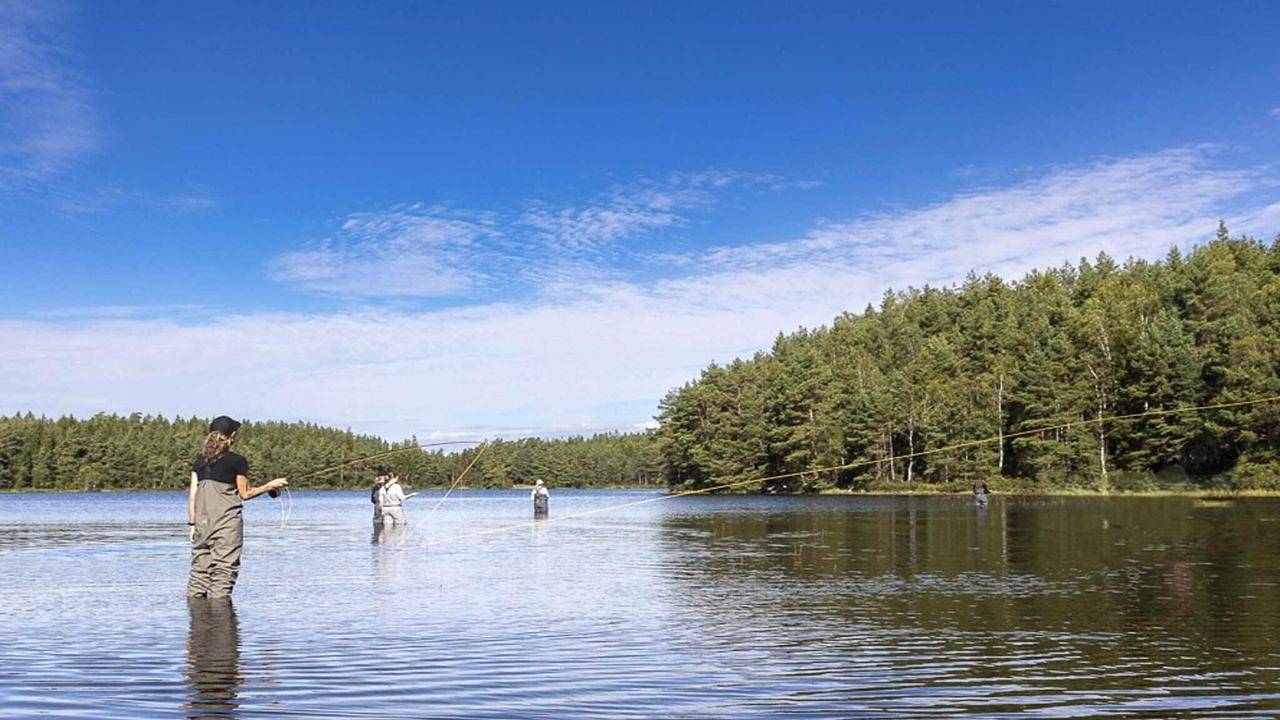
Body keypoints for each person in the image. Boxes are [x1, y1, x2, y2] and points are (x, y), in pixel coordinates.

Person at [187, 416, 288, 598]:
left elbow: (193, 495)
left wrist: (192, 525)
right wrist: (270, 485)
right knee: (223, 575)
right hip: (226, 527)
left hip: (202, 526)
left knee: (198, 577)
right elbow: (246, 493)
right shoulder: (237, 461)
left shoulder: (199, 462)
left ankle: (198, 623)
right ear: (232, 436)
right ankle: (222, 623)